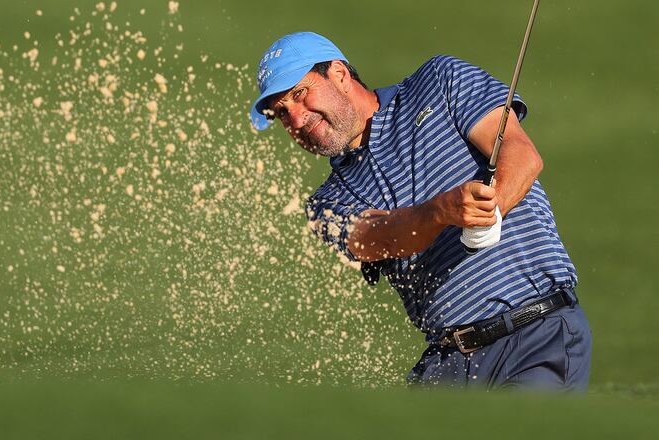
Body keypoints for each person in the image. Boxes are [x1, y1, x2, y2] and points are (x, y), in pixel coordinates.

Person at [249, 32, 592, 391]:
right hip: (446, 364)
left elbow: (521, 156)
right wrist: (441, 212)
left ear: (338, 73)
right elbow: (375, 239)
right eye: (282, 113)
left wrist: (493, 210)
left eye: (300, 95)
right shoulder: (326, 203)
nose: (297, 120)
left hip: (535, 335)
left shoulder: (438, 80)